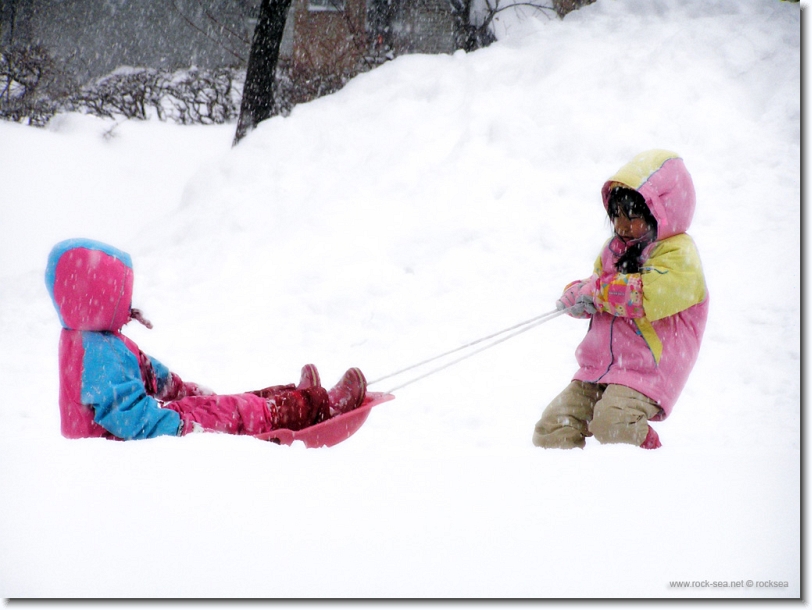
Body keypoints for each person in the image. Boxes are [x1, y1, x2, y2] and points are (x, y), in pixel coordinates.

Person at [45, 238, 367, 440]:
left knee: (218, 405)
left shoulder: (94, 340)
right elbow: (133, 421)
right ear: (96, 298)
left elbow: (145, 369)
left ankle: (294, 397)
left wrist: (181, 390)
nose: (128, 303)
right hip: (142, 447)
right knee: (227, 413)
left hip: (149, 431)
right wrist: (188, 427)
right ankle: (319, 407)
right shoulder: (98, 354)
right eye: (120, 295)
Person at [533, 149, 708, 450]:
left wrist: (597, 292)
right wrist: (579, 293)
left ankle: (653, 469)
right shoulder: (615, 249)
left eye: (633, 217)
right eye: (616, 217)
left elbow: (643, 294)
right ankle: (565, 486)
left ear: (660, 212)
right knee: (553, 426)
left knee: (613, 423)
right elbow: (601, 285)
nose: (623, 226)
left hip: (646, 370)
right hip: (600, 368)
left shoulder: (680, 256)